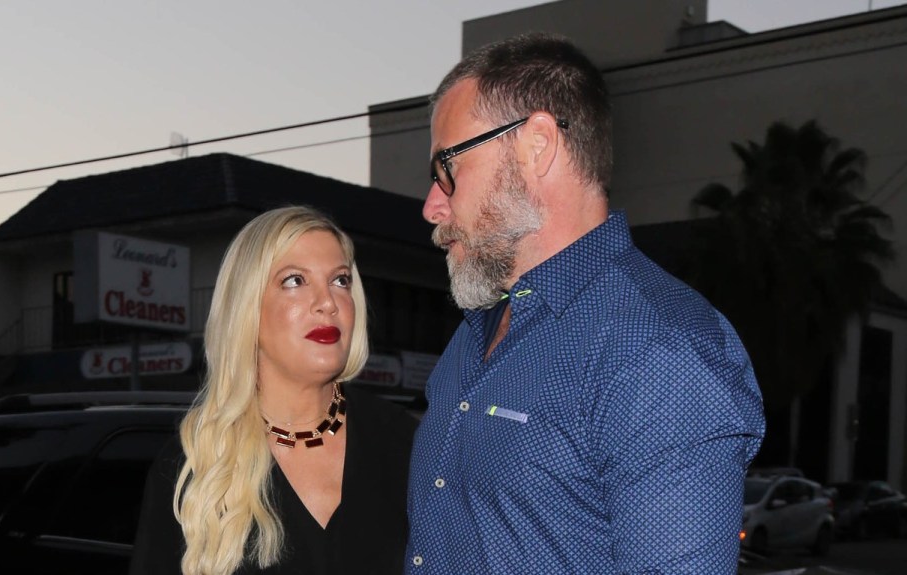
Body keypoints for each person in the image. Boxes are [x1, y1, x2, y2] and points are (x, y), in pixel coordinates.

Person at [406, 33, 766, 573]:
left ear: (537, 145)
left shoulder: (661, 351)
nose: (433, 205)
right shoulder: (473, 333)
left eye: (446, 168)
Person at [130, 206, 417, 575]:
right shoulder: (196, 466)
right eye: (295, 280)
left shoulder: (402, 440)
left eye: (340, 280)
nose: (328, 302)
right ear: (246, 306)